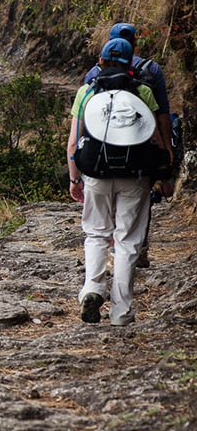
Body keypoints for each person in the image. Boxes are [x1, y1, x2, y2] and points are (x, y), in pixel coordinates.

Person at [67, 38, 170, 326]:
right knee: (127, 243)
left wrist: (75, 178)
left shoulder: (86, 92)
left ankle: (92, 289)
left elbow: (74, 142)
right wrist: (162, 174)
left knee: (96, 234)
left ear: (99, 62)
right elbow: (155, 137)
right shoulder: (143, 91)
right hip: (135, 177)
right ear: (131, 63)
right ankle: (121, 312)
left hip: (96, 176)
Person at [83, 23, 174, 267]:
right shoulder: (150, 70)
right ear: (135, 43)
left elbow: (85, 117)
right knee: (140, 196)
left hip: (102, 150)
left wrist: (79, 157)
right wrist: (167, 148)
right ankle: (137, 248)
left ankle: (110, 256)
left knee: (106, 202)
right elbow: (162, 114)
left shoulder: (93, 75)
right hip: (141, 147)